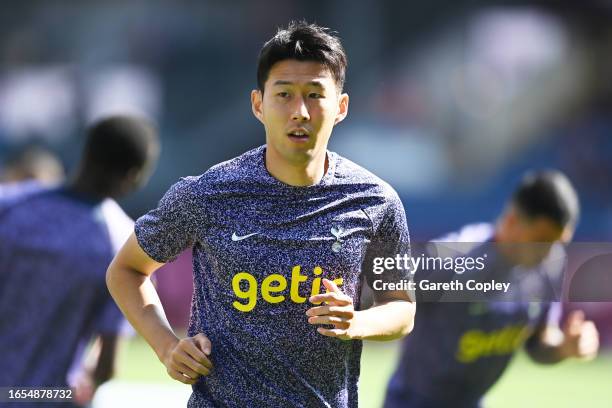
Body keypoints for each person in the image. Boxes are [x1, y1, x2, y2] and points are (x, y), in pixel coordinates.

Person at [106, 21, 415, 408]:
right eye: (284, 94)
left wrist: (356, 322)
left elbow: (402, 306)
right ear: (258, 104)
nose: (299, 111)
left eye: (315, 94)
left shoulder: (376, 201)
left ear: (341, 107)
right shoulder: (207, 193)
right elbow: (126, 270)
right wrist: (167, 346)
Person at [384, 170, 600, 408]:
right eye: (541, 240)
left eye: (558, 243)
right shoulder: (452, 259)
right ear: (511, 221)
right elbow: (389, 299)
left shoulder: (550, 265)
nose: (548, 252)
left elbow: (539, 343)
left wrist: (564, 348)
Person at [0, 115, 159, 406]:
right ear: (133, 177)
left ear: (86, 153)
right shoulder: (124, 249)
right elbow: (106, 366)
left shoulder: (10, 207)